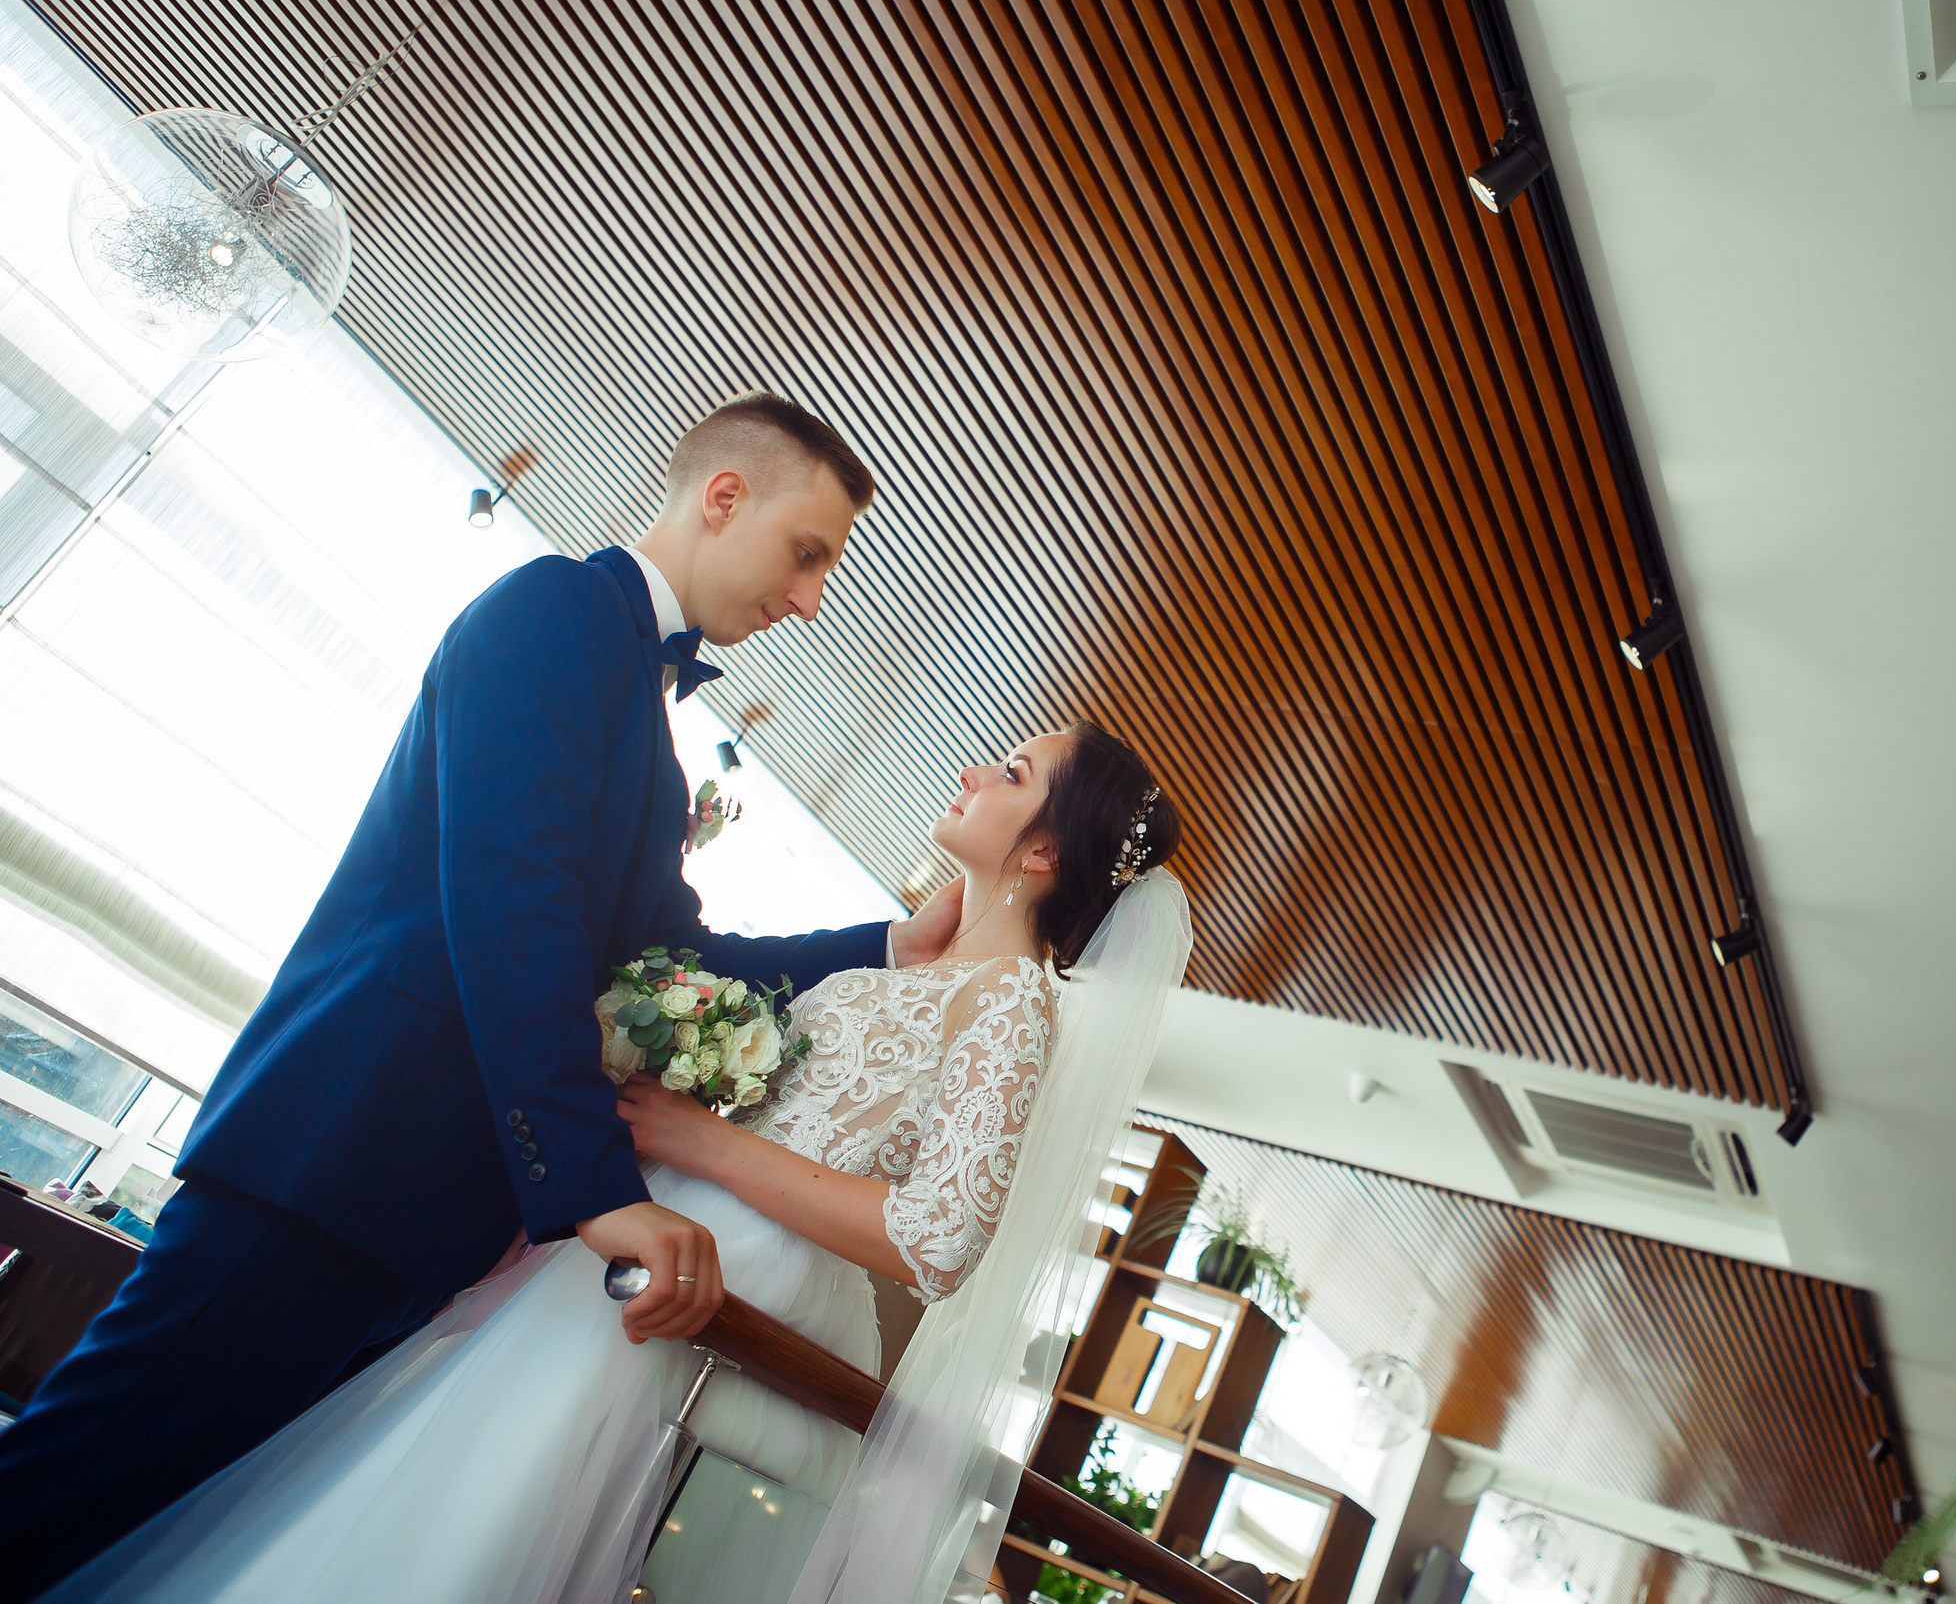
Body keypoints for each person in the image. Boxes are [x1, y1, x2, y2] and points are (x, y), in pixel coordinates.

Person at [0, 392, 968, 1602]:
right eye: (807, 552)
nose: (811, 597)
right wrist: (600, 1195)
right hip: (334, 1165)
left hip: (421, 1217)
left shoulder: (650, 730)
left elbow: (678, 958)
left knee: (171, 1540)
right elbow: (509, 913)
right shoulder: (552, 612)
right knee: (64, 1494)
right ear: (724, 498)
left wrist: (888, 943)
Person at [47, 724, 1191, 1604]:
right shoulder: (928, 976)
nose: (975, 770)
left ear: (1043, 850)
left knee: (478, 1511)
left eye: (1012, 771)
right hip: (656, 1235)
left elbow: (937, 1238)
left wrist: (706, 1140)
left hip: (725, 1273)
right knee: (436, 1478)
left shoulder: (1013, 1006)